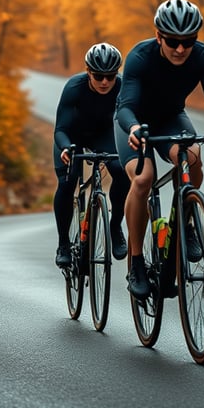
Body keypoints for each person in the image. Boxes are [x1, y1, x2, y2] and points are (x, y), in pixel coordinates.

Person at [114, 0, 204, 300]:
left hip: (171, 118)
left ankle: (185, 215)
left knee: (191, 156)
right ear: (159, 36)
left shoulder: (203, 57)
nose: (180, 49)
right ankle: (136, 263)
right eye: (173, 41)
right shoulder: (140, 56)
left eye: (188, 41)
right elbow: (126, 106)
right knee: (143, 177)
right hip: (134, 122)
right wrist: (135, 128)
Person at [53, 42, 130, 268]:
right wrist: (66, 148)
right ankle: (63, 243)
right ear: (88, 72)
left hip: (102, 135)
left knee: (121, 171)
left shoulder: (123, 87)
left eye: (110, 76)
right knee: (68, 181)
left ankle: (115, 226)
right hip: (71, 136)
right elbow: (60, 129)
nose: (105, 81)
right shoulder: (74, 87)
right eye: (98, 76)